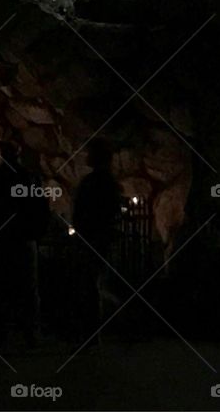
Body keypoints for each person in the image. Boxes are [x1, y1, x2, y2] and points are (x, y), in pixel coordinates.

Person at [0, 142, 47, 348]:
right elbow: (41, 210)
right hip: (23, 240)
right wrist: (35, 234)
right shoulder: (29, 179)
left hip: (1, 241)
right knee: (27, 289)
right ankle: (30, 333)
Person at [72, 140, 122, 345]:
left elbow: (83, 211)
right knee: (94, 284)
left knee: (91, 285)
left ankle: (92, 332)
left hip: (93, 238)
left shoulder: (92, 183)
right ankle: (94, 331)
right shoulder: (108, 183)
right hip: (99, 238)